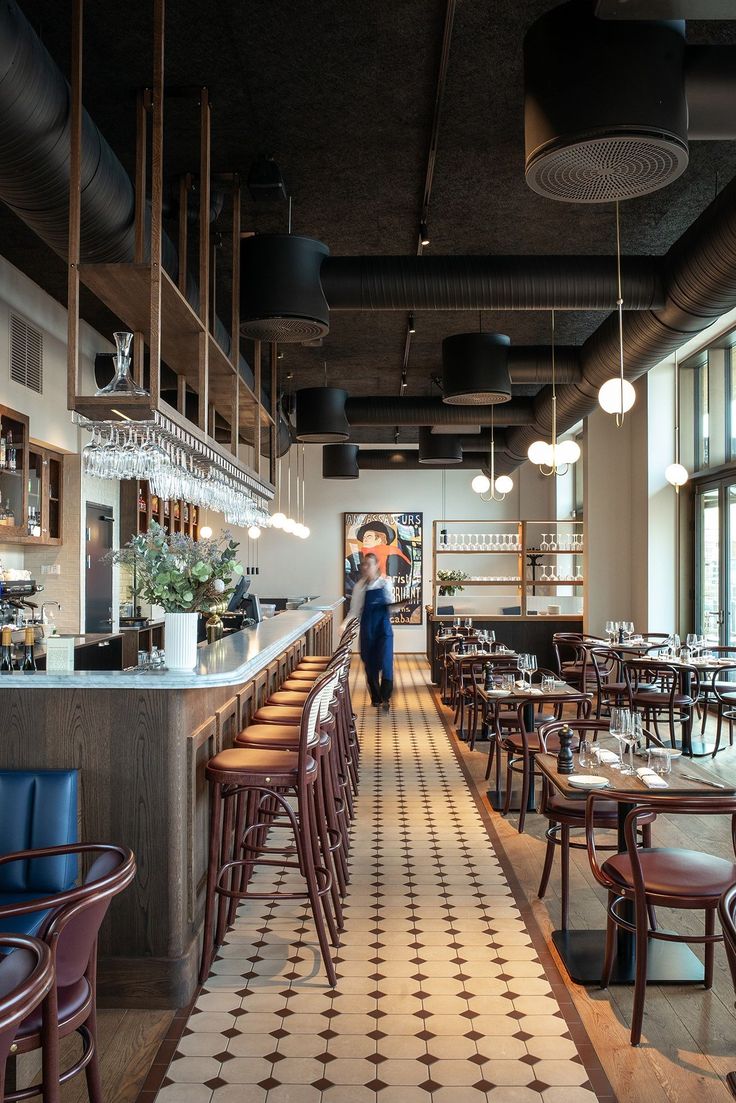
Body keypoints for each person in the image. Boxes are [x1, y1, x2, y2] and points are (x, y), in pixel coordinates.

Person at [346, 552, 394, 711]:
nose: (365, 567)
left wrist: (396, 606)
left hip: (384, 629)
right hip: (367, 630)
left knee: (386, 661)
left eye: (368, 564)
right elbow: (354, 610)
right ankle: (376, 698)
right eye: (363, 564)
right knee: (369, 663)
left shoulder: (385, 583)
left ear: (376, 565)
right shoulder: (359, 586)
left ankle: (385, 697)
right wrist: (344, 624)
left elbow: (391, 606)